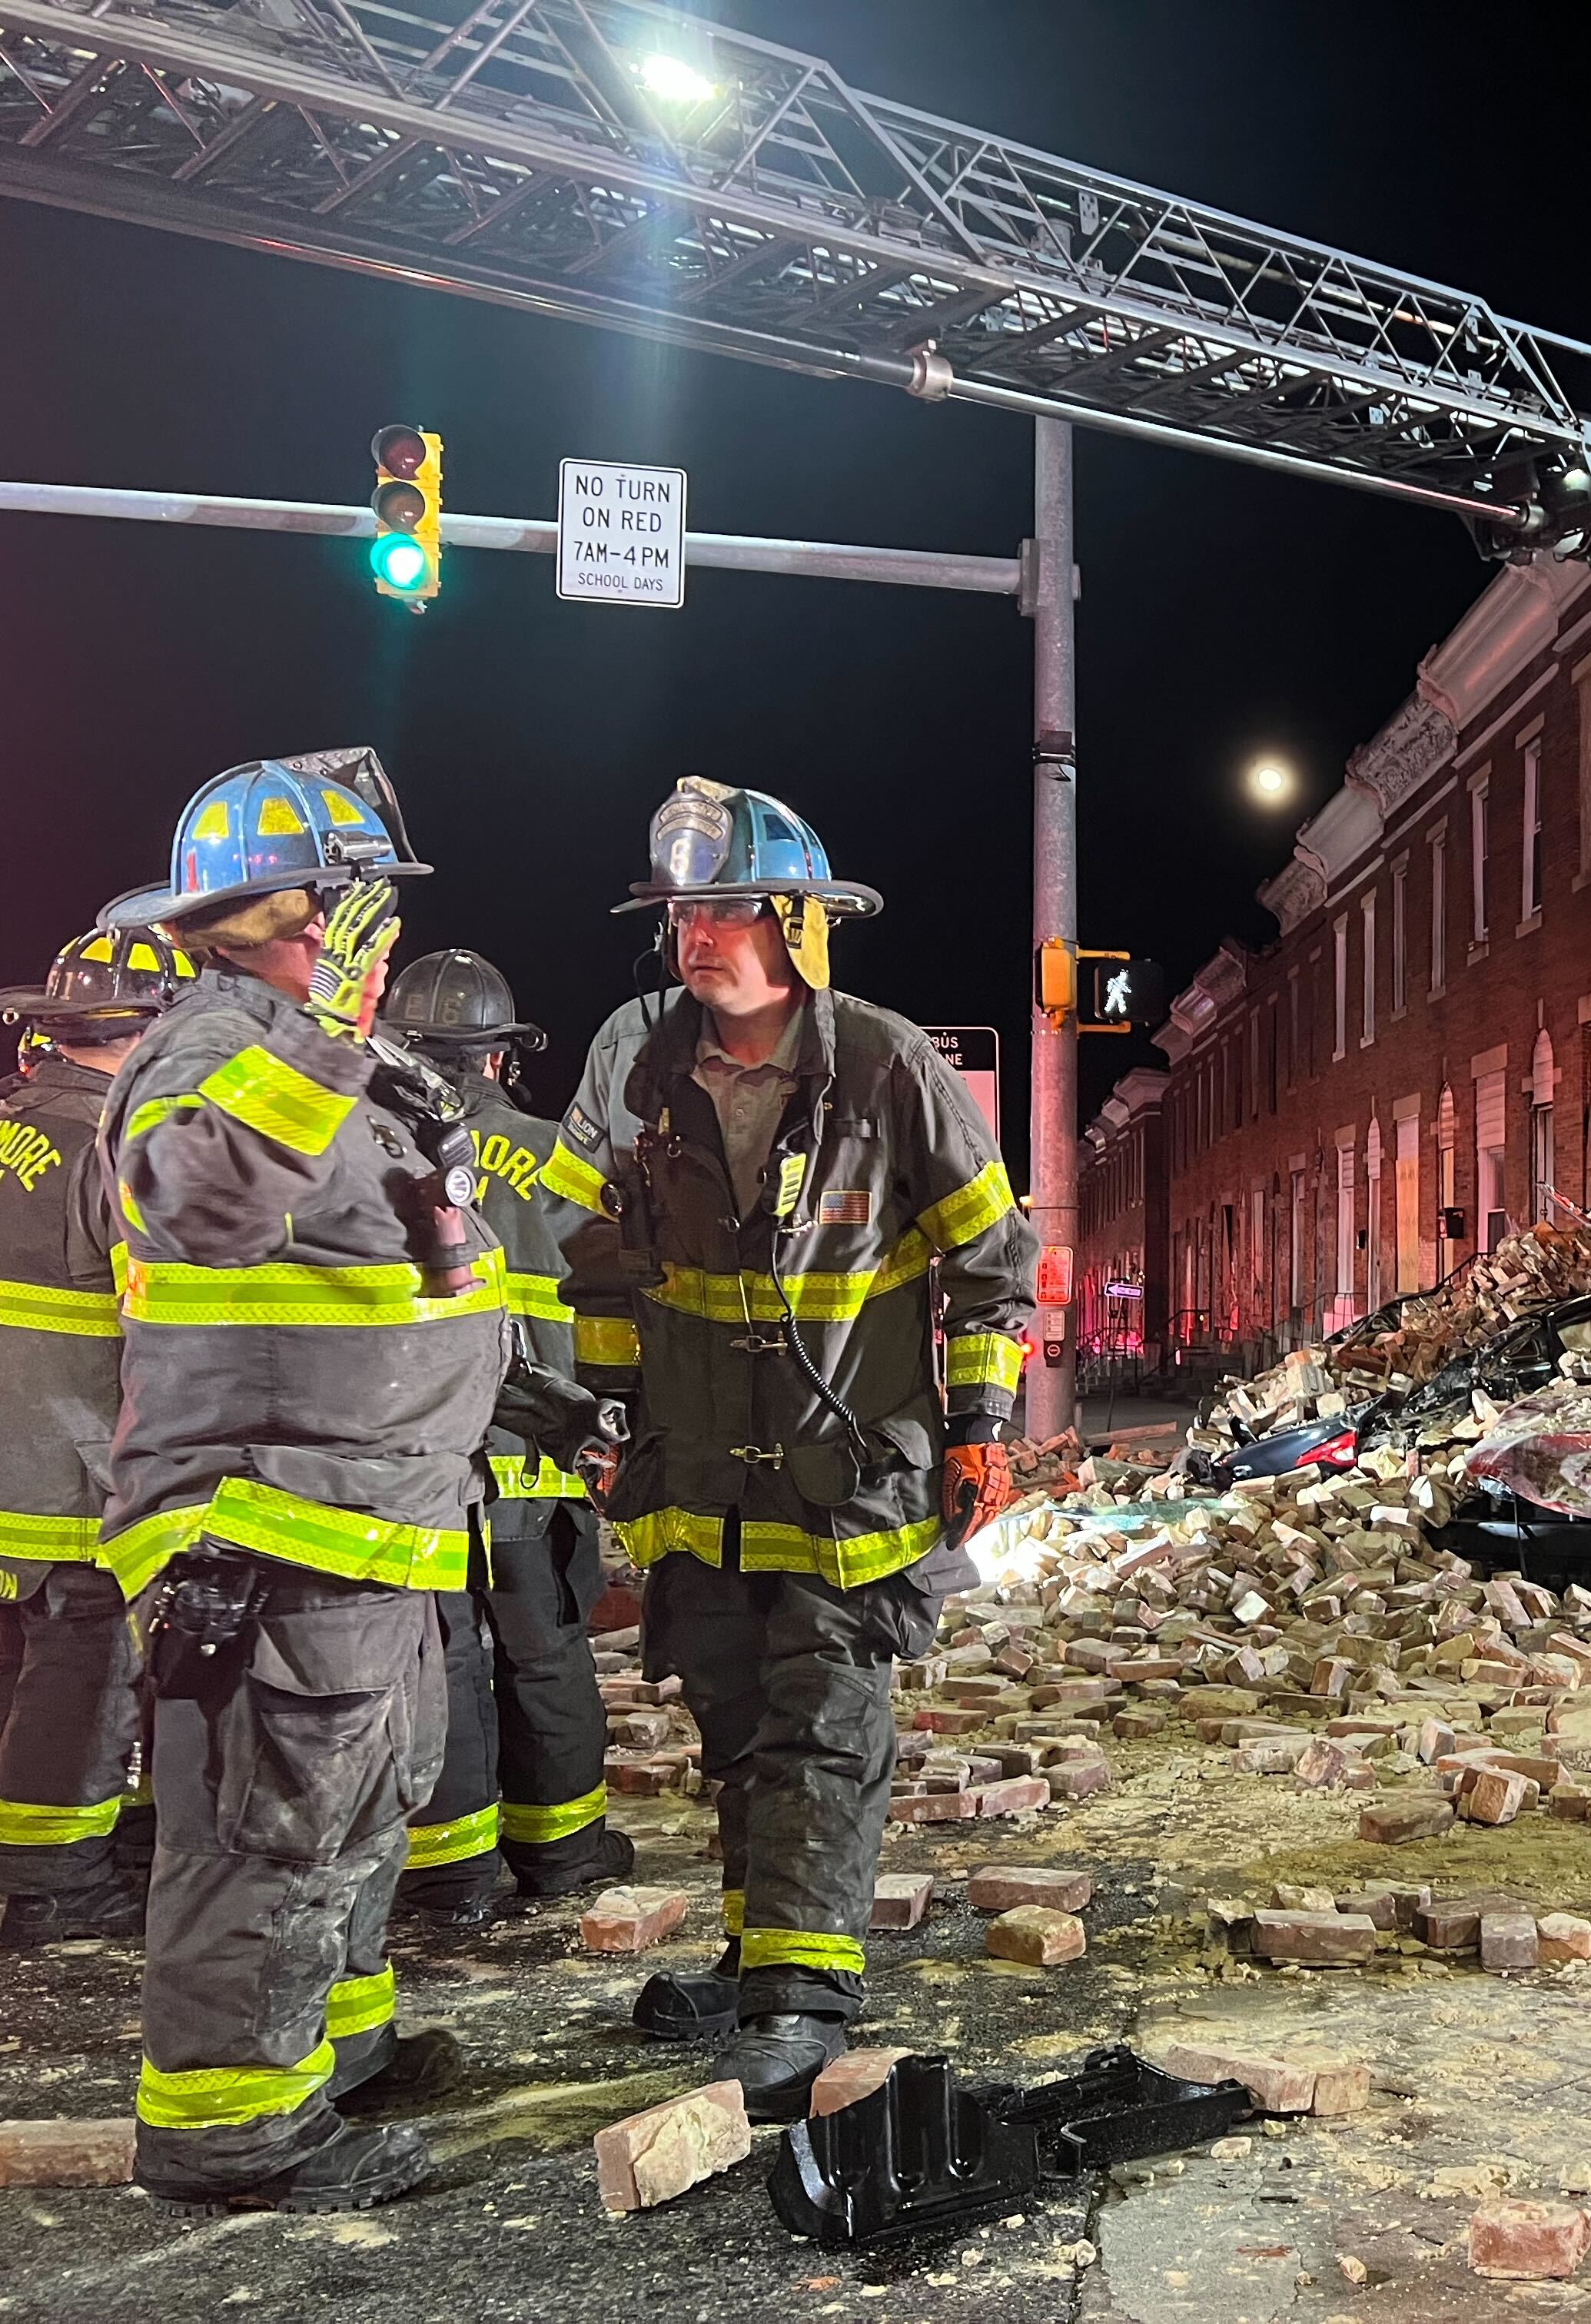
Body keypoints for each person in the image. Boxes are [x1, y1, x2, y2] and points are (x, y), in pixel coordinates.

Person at [560, 778, 1038, 2121]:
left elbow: (994, 1261)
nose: (692, 935)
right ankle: (750, 1949)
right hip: (696, 1474)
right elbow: (593, 1264)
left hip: (849, 1471)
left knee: (826, 1722)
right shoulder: (640, 1063)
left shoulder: (886, 1064)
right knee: (732, 1728)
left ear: (792, 923)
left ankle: (803, 1991)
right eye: (677, 912)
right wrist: (605, 1422)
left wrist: (982, 1424)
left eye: (719, 908)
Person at [97, 750, 493, 2213]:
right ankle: (233, 2129)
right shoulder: (218, 1042)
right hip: (269, 1532)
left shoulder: (314, 1044)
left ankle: (327, 2054)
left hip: (366, 1520)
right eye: (360, 894)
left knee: (349, 1808)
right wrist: (325, 1036)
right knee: (264, 1831)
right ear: (313, 910)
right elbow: (197, 1195)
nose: (376, 920)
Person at [378, 950, 634, 1926]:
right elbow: (616, 1310)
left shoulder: (368, 1150)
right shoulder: (555, 1154)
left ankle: (449, 1877)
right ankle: (564, 1850)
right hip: (536, 1465)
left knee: (436, 1657)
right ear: (497, 1058)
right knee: (545, 1649)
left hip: (422, 1467)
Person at [0, 929, 194, 1945]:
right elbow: (168, 1322)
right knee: (79, 1671)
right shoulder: (119, 1150)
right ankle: (55, 1886)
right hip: (65, 1477)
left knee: (15, 1676)